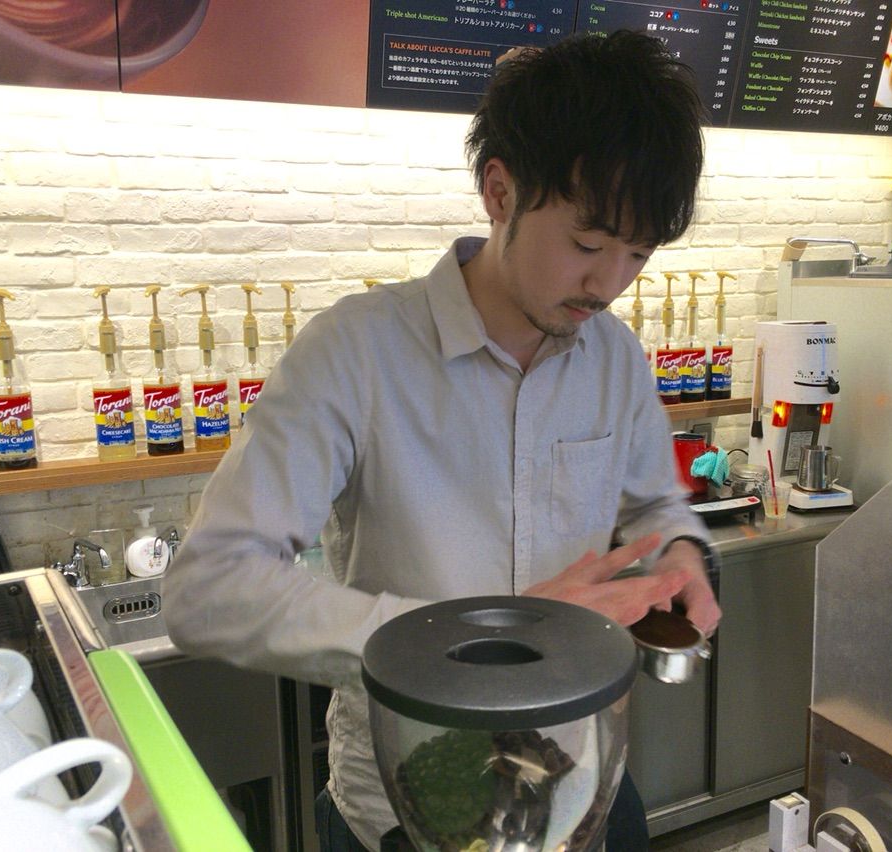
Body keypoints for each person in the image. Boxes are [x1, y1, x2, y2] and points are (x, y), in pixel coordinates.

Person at [165, 29, 720, 851]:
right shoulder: (355, 352)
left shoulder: (615, 357)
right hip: (404, 800)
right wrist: (484, 641)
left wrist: (679, 554)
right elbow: (208, 589)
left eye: (637, 254)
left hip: (571, 785)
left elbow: (653, 505)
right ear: (500, 192)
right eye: (587, 244)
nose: (609, 283)